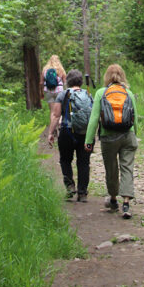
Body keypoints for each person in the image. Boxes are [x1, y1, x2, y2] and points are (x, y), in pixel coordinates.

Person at [84, 63, 138, 220]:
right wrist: (134, 134)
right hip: (127, 135)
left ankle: (113, 200)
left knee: (111, 169)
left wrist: (89, 140)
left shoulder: (101, 93)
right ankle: (126, 202)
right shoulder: (128, 93)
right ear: (123, 76)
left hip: (108, 137)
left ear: (107, 77)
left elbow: (94, 119)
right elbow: (135, 117)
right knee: (127, 168)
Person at [48, 68, 93, 201]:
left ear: (67, 81)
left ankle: (70, 187)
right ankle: (83, 193)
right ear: (80, 82)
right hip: (85, 134)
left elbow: (56, 115)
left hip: (67, 132)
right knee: (84, 162)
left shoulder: (63, 95)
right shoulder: (88, 95)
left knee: (65, 160)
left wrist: (51, 132)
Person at [40, 54, 66, 133]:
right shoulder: (60, 69)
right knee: (60, 109)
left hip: (48, 91)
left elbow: (41, 82)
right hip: (59, 91)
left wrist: (41, 92)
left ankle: (53, 128)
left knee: (52, 111)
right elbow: (65, 82)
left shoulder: (45, 70)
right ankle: (60, 123)